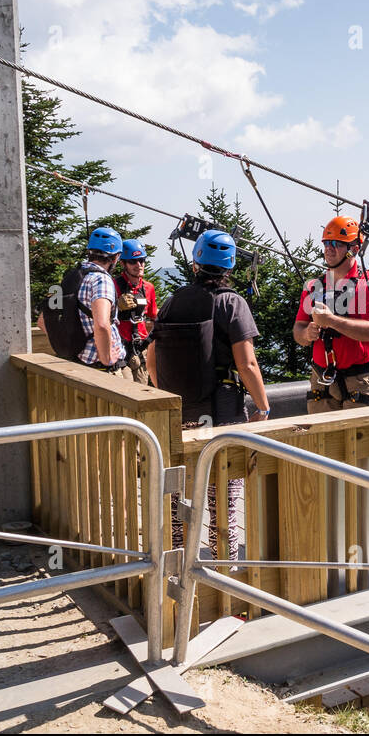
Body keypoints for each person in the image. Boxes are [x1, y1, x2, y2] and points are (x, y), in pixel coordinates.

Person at [147, 229, 269, 559]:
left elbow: (150, 358)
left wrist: (169, 396)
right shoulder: (232, 303)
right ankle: (223, 578)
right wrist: (263, 407)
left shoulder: (174, 301)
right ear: (230, 265)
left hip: (182, 416)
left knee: (179, 502)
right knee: (223, 504)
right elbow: (247, 364)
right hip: (223, 414)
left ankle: (175, 574)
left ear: (196, 261)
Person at [293, 215, 369, 413]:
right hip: (322, 381)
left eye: (336, 243)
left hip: (360, 380)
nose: (329, 248)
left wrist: (332, 321)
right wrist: (306, 334)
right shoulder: (314, 286)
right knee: (321, 443)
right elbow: (298, 329)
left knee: (360, 442)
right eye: (327, 243)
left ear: (354, 249)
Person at [37, 226, 126, 374]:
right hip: (102, 369)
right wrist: (107, 358)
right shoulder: (101, 280)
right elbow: (102, 324)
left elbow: (42, 321)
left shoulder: (72, 277)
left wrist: (68, 344)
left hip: (77, 364)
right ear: (116, 257)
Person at [114, 238, 158, 384]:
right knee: (126, 392)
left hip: (140, 349)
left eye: (141, 260)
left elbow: (153, 316)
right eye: (133, 262)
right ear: (123, 264)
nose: (139, 265)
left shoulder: (148, 288)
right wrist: (117, 306)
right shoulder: (114, 285)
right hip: (121, 349)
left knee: (142, 390)